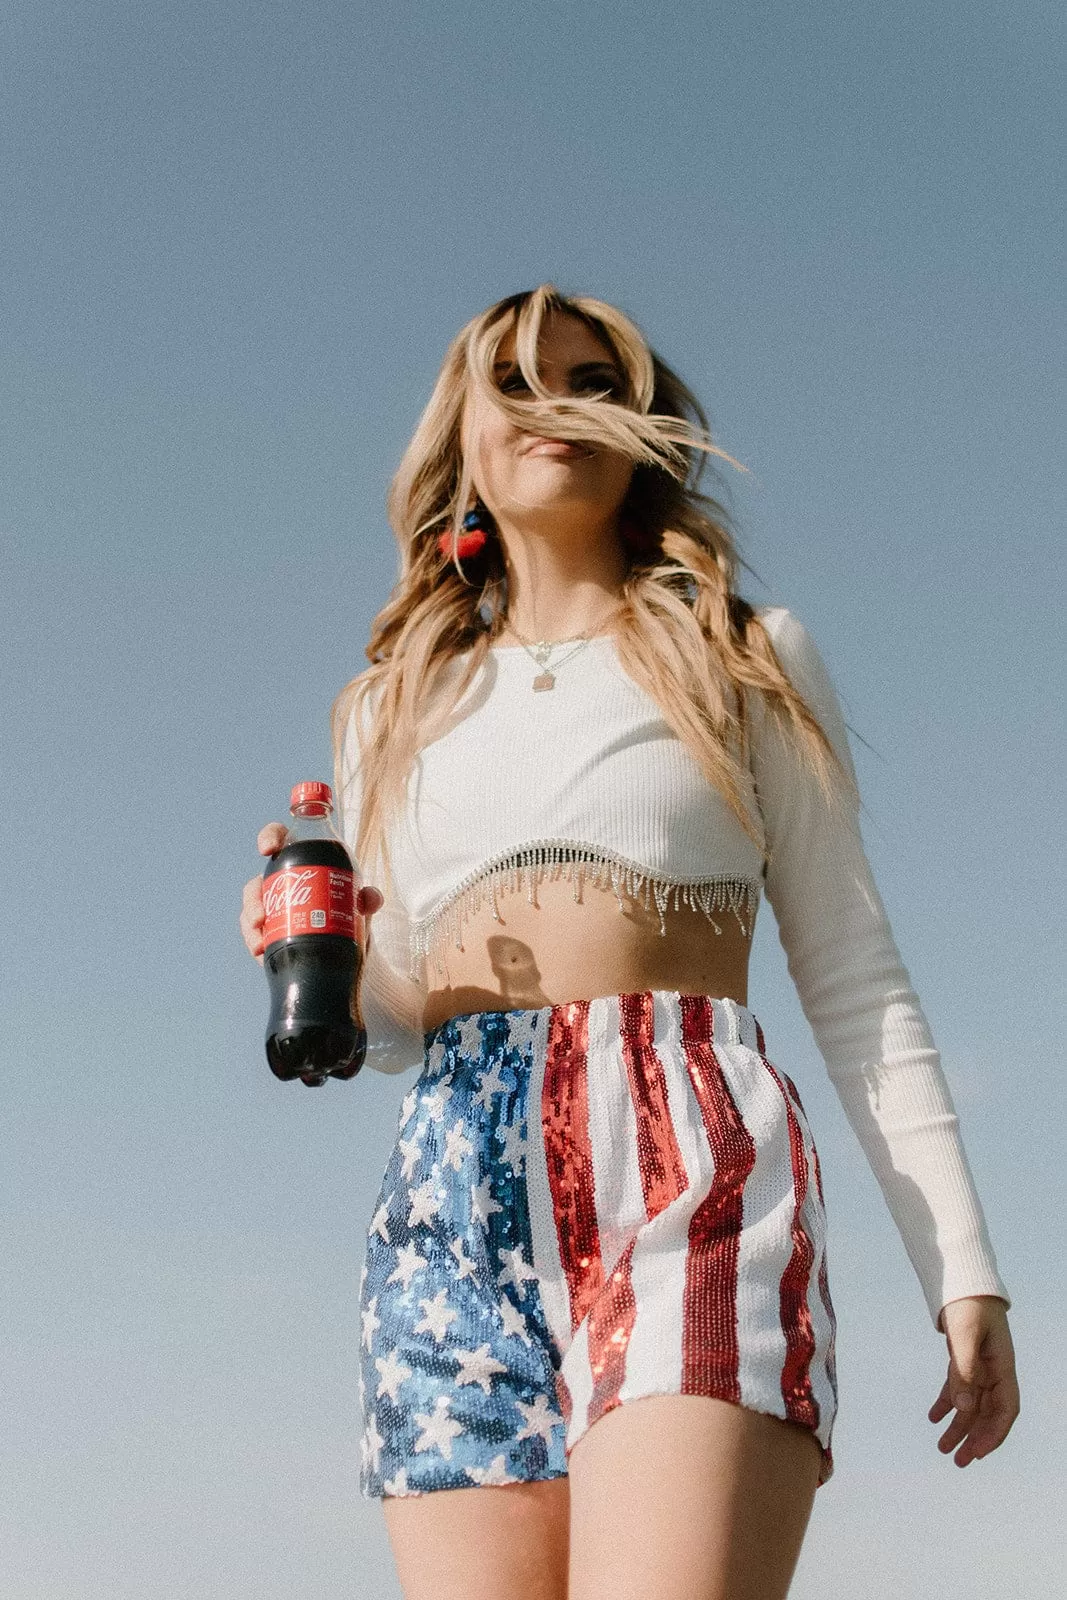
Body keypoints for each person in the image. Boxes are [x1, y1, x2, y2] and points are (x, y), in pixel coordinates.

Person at [239, 284, 1019, 1600]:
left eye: (595, 381)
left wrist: (961, 1267)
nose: (559, 405)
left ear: (644, 426)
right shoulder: (389, 706)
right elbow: (384, 1027)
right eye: (521, 381)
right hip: (455, 1194)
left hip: (690, 1159)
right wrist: (317, 952)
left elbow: (852, 974)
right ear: (462, 439)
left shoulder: (745, 655)